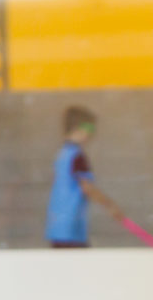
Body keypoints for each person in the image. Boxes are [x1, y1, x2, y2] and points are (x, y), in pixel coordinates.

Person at [45, 105, 123, 249]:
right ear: (78, 128)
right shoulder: (77, 156)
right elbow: (87, 187)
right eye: (90, 129)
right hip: (71, 228)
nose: (92, 134)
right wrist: (110, 205)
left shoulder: (62, 154)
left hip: (57, 227)